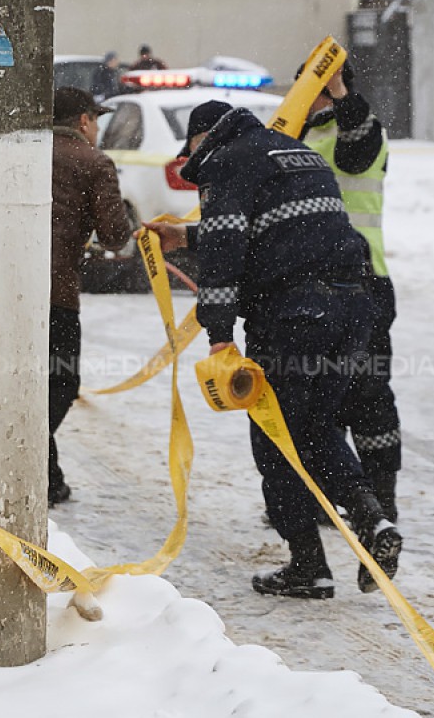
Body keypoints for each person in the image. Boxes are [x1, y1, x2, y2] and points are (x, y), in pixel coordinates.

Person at [146, 100, 401, 600]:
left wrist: (219, 336)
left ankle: (308, 564)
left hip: (294, 315)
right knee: (316, 427)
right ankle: (373, 518)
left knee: (275, 433)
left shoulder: (226, 160)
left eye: (191, 151)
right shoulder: (295, 150)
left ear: (202, 138)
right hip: (352, 306)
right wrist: (187, 235)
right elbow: (281, 230)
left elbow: (225, 255)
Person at [298, 61, 402, 522]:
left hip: (365, 283)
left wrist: (338, 89)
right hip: (316, 287)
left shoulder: (360, 128)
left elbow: (356, 146)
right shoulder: (304, 136)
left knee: (369, 395)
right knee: (321, 396)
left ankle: (382, 495)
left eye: (311, 89)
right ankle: (336, 491)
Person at [47, 87, 133, 505]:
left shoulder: (25, 151)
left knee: (23, 379)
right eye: (95, 120)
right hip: (57, 295)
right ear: (83, 120)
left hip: (11, 289)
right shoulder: (93, 162)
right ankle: (40, 472)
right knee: (61, 384)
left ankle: (46, 473)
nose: (97, 128)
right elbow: (115, 236)